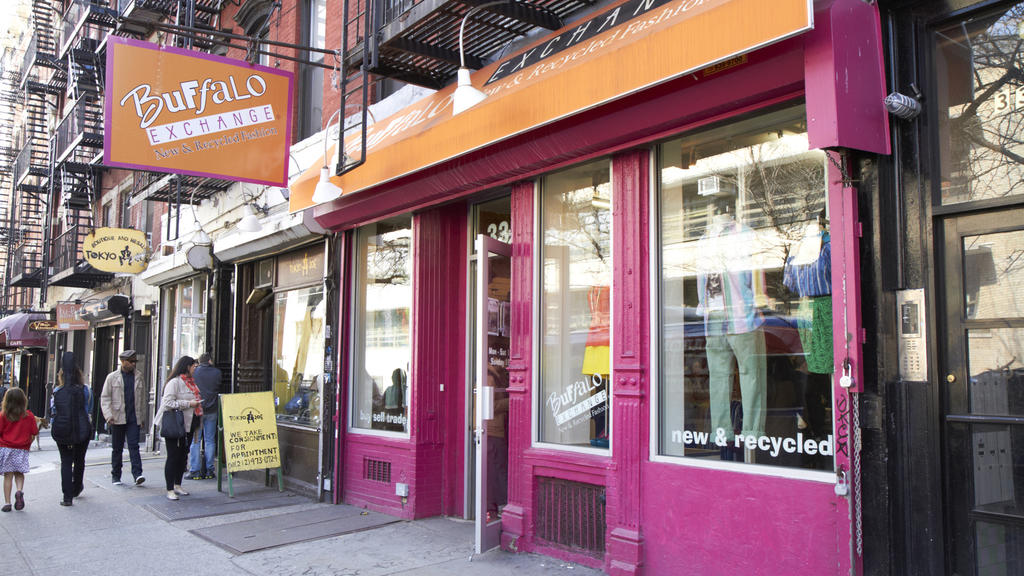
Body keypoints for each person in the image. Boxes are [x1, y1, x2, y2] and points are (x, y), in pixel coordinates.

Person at [156, 356, 201, 501]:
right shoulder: (174, 383)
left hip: (189, 424)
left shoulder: (192, 383)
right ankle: (169, 489)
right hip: (174, 425)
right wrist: (189, 403)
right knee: (173, 456)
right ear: (187, 366)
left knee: (183, 456)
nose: (196, 369)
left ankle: (178, 484)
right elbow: (168, 402)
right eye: (194, 366)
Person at [50, 352, 92, 506]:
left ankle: (67, 497)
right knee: (79, 460)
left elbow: (53, 411)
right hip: (82, 429)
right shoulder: (85, 389)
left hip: (62, 428)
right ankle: (77, 487)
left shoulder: (57, 391)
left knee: (66, 462)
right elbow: (88, 408)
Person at [100, 350, 147, 485]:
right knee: (117, 448)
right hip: (117, 417)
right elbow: (105, 398)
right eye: (131, 362)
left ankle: (137, 474)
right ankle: (116, 475)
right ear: (123, 362)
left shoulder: (139, 376)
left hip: (133, 418)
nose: (133, 364)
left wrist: (142, 417)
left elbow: (142, 398)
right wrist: (108, 415)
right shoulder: (112, 377)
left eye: (134, 362)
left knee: (134, 446)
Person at [0, 388, 39, 512]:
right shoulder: (28, 415)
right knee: (19, 473)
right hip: (21, 449)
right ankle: (19, 491)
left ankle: (7, 503)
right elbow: (34, 432)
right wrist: (28, 443)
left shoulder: (3, 415)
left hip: (6, 448)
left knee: (8, 476)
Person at [188, 353, 221, 480]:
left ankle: (195, 470)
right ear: (210, 361)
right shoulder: (217, 373)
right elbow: (217, 386)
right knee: (210, 440)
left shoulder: (195, 373)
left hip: (198, 410)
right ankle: (209, 470)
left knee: (196, 441)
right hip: (212, 410)